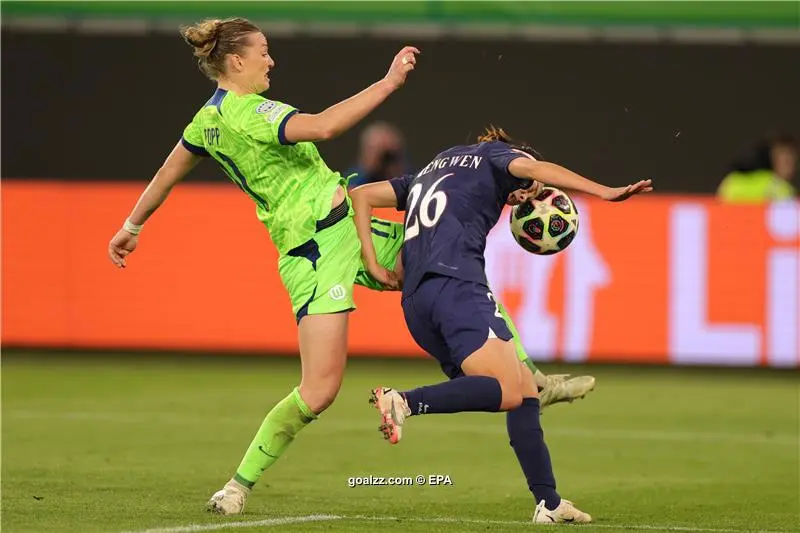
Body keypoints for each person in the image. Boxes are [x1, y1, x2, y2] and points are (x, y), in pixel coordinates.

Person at [106, 17, 420, 515]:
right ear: (236, 61)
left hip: (346, 225)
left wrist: (133, 225)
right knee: (318, 392)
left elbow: (168, 172)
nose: (270, 60)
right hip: (313, 254)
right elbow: (325, 126)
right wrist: (389, 82)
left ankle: (524, 380)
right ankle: (237, 486)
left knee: (443, 260)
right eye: (263, 52)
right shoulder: (251, 113)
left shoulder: (204, 122)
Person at [350, 126, 652, 523]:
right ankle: (403, 401)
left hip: (417, 305)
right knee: (509, 390)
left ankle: (549, 503)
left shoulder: (435, 166)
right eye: (527, 183)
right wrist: (605, 192)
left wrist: (374, 264)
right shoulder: (497, 156)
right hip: (458, 286)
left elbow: (363, 194)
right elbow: (537, 165)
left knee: (523, 389)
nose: (527, 192)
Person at [717, 134, 797, 203]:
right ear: (769, 159)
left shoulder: (731, 180)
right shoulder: (782, 190)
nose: (790, 163)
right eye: (784, 158)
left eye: (791, 157)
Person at [346, 121, 409, 189]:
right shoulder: (351, 180)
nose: (385, 160)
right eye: (374, 149)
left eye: (390, 155)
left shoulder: (412, 181)